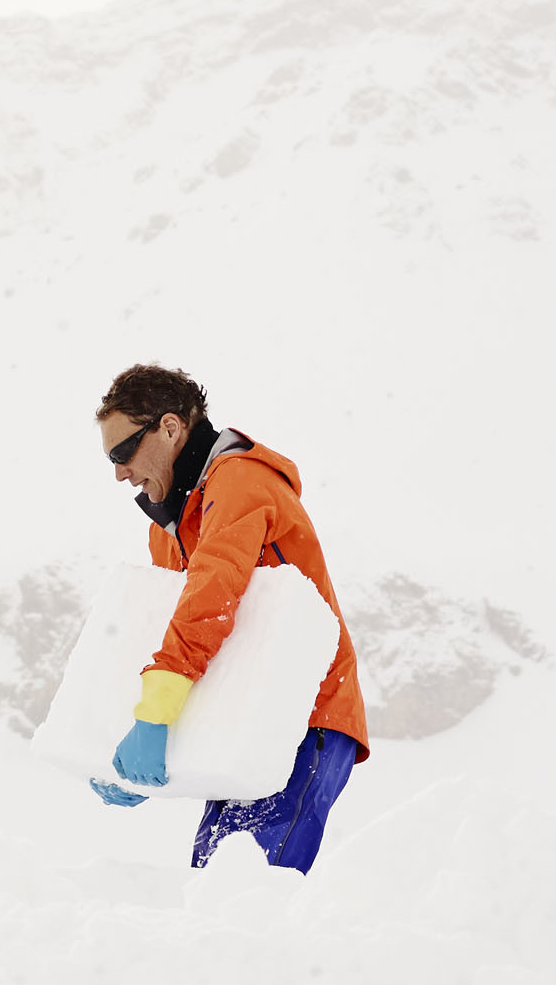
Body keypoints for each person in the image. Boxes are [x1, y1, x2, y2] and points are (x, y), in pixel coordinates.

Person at [91, 363, 368, 873]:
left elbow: (207, 607)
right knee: (214, 880)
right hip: (242, 717)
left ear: (170, 428)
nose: (120, 473)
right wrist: (137, 750)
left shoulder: (240, 482)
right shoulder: (170, 526)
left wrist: (155, 719)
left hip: (303, 716)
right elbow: (175, 636)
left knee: (248, 888)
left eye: (123, 452)